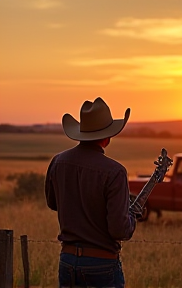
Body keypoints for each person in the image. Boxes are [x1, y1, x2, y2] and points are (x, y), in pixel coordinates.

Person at [45, 97, 137, 288]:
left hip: (67, 260)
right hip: (102, 264)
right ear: (108, 137)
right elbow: (119, 229)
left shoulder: (58, 162)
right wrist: (132, 218)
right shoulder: (115, 171)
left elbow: (53, 203)